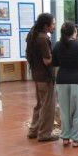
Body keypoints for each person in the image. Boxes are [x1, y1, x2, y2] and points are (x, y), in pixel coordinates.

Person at [52, 22, 78, 147]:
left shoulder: (58, 46)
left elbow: (55, 63)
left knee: (65, 111)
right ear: (75, 31)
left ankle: (65, 138)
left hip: (62, 80)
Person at [25, 13, 58, 142]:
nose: (54, 26)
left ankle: (33, 130)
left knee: (40, 104)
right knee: (48, 106)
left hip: (37, 75)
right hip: (46, 77)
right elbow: (47, 60)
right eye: (53, 24)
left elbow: (28, 55)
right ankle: (44, 134)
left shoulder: (32, 35)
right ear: (46, 26)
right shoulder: (43, 38)